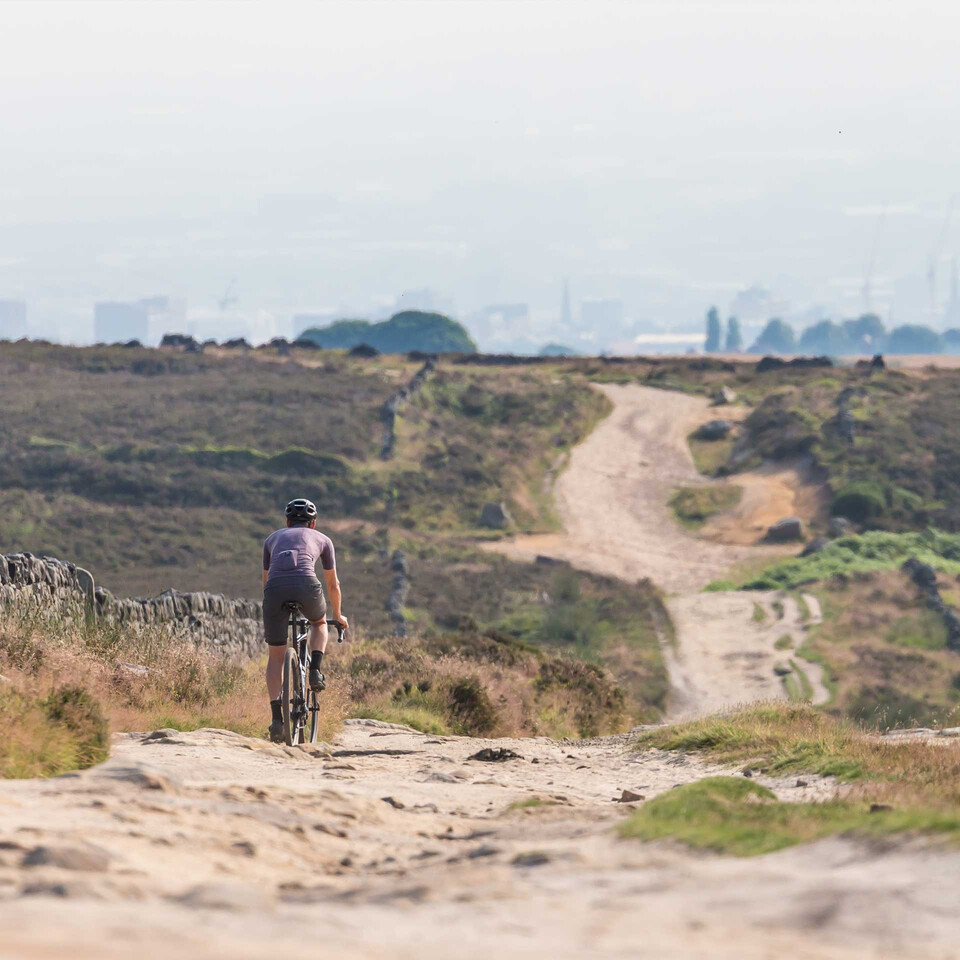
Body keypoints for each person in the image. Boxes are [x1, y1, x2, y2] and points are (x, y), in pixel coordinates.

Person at [262, 498, 348, 742]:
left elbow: (266, 583)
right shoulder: (323, 539)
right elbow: (333, 584)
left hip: (275, 592)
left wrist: (271, 611)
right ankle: (315, 670)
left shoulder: (271, 539)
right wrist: (337, 615)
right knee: (319, 624)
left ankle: (277, 719)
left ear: (287, 522)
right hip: (307, 587)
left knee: (276, 656)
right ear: (313, 524)